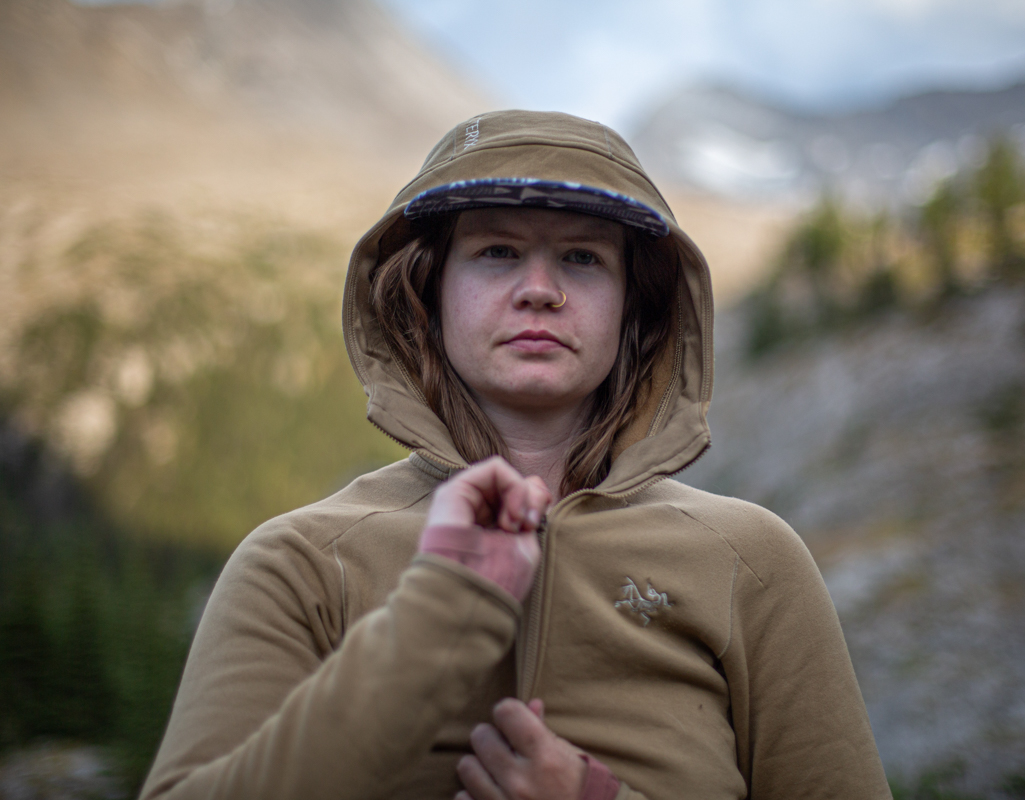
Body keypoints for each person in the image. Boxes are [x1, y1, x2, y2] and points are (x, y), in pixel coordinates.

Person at [139, 110, 892, 800]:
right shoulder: (301, 563)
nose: (539, 290)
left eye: (583, 258)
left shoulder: (751, 561)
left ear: (637, 305)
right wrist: (443, 612)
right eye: (496, 251)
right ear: (426, 294)